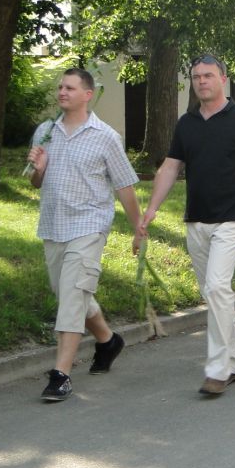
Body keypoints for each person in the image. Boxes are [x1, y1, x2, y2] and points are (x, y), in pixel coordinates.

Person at [137, 54, 235, 396]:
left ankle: (217, 369)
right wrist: (151, 210)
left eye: (208, 76)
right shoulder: (187, 123)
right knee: (213, 293)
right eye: (196, 77)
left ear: (223, 79)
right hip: (196, 219)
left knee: (217, 287)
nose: (201, 82)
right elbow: (170, 167)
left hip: (231, 219)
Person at [28, 68, 140, 402]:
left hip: (89, 226)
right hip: (53, 225)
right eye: (61, 87)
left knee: (74, 294)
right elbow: (35, 182)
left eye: (70, 88)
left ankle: (61, 375)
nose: (62, 92)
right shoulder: (45, 132)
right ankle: (107, 341)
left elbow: (124, 185)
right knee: (69, 294)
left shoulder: (105, 136)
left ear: (87, 94)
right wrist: (38, 169)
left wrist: (139, 228)